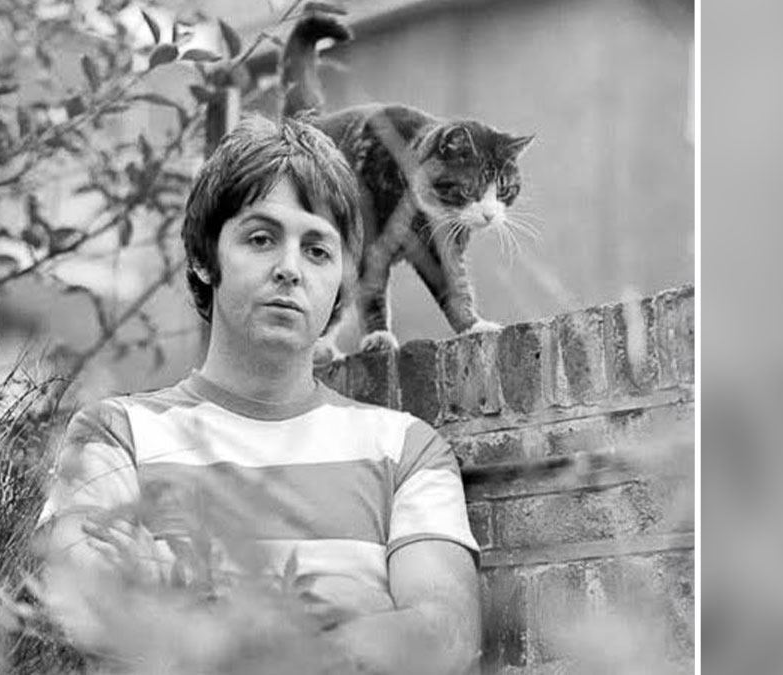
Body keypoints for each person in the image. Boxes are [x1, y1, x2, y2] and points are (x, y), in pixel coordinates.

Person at [37, 115, 481, 674]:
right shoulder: (112, 434)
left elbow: (445, 639)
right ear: (204, 257)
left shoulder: (407, 451)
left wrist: (180, 601)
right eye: (261, 238)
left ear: (344, 276)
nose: (290, 270)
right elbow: (92, 610)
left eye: (318, 250)